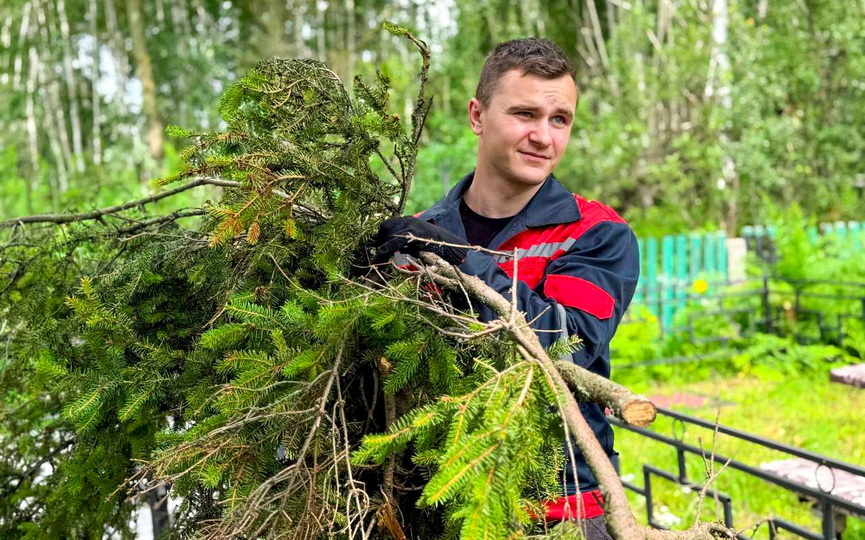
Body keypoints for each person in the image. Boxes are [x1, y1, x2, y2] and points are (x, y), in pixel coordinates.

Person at [373, 38, 639, 539]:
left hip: (559, 511)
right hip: (437, 500)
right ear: (478, 115)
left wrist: (462, 262)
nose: (543, 135)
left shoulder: (596, 233)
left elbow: (569, 342)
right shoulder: (420, 231)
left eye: (559, 119)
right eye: (524, 114)